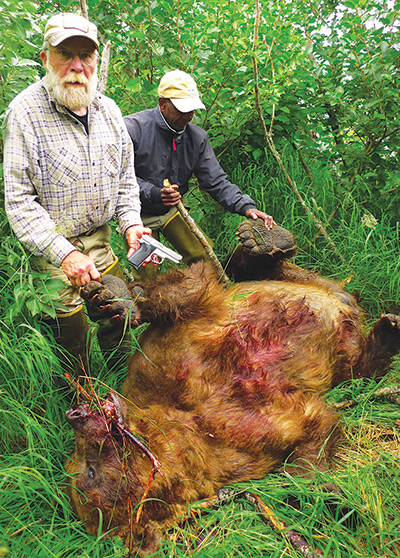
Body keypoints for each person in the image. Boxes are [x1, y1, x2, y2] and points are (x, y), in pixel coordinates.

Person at [3, 12, 151, 375]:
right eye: (65, 53)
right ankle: (80, 395)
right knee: (73, 337)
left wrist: (131, 225)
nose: (76, 66)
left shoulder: (110, 112)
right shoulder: (24, 113)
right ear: (45, 58)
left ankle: (122, 383)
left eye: (86, 56)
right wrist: (65, 254)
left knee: (118, 311)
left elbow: (125, 183)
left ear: (97, 61)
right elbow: (19, 202)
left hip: (100, 241)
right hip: (51, 251)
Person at [123, 69, 276, 279]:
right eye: (181, 109)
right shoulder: (132, 129)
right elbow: (120, 179)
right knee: (146, 274)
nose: (188, 116)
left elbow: (216, 181)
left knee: (204, 258)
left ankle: (203, 304)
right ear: (162, 104)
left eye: (192, 109)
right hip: (136, 215)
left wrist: (246, 207)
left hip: (172, 210)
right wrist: (154, 193)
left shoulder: (197, 138)